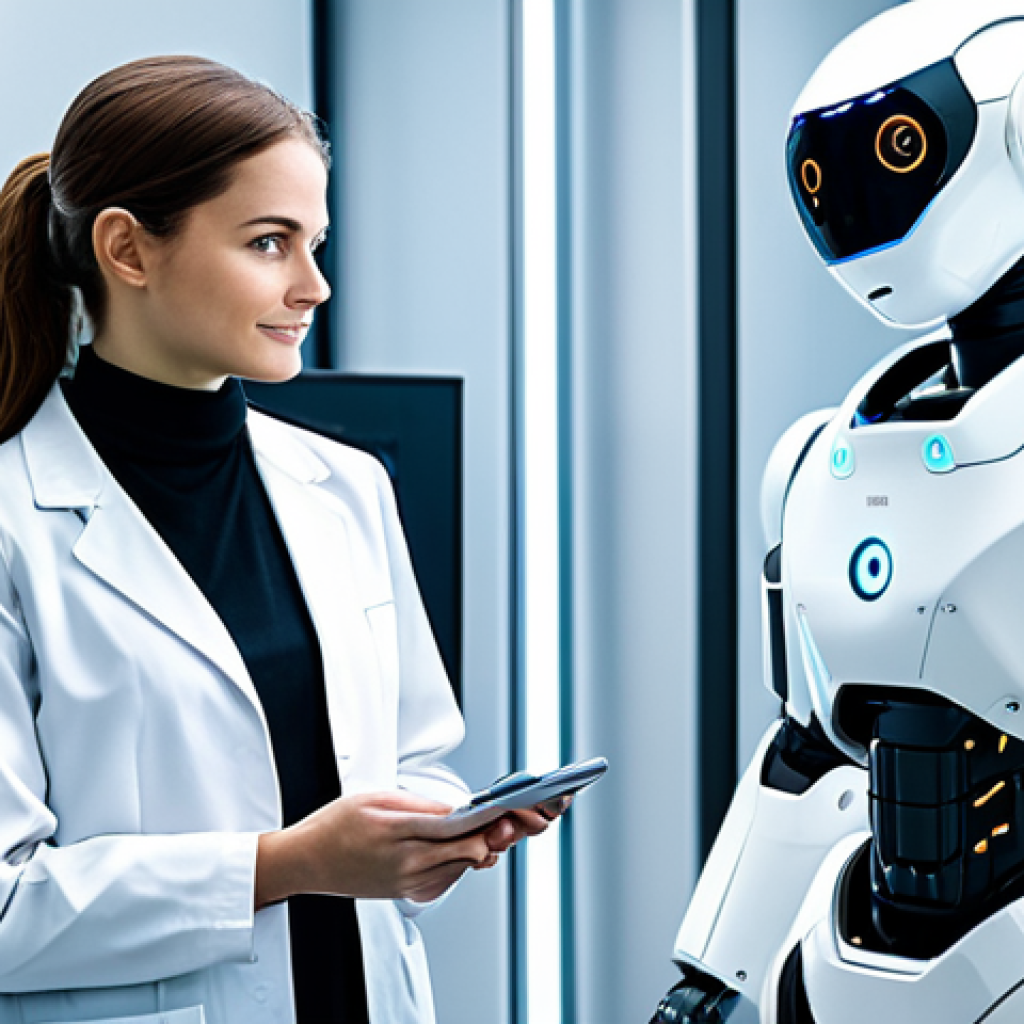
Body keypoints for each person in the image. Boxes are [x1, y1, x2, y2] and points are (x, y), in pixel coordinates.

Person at [0, 56, 560, 1024]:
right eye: (269, 243)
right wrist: (291, 863)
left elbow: (414, 754)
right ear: (128, 249)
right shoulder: (14, 524)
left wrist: (431, 835)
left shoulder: (345, 485)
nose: (314, 286)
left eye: (316, 243)